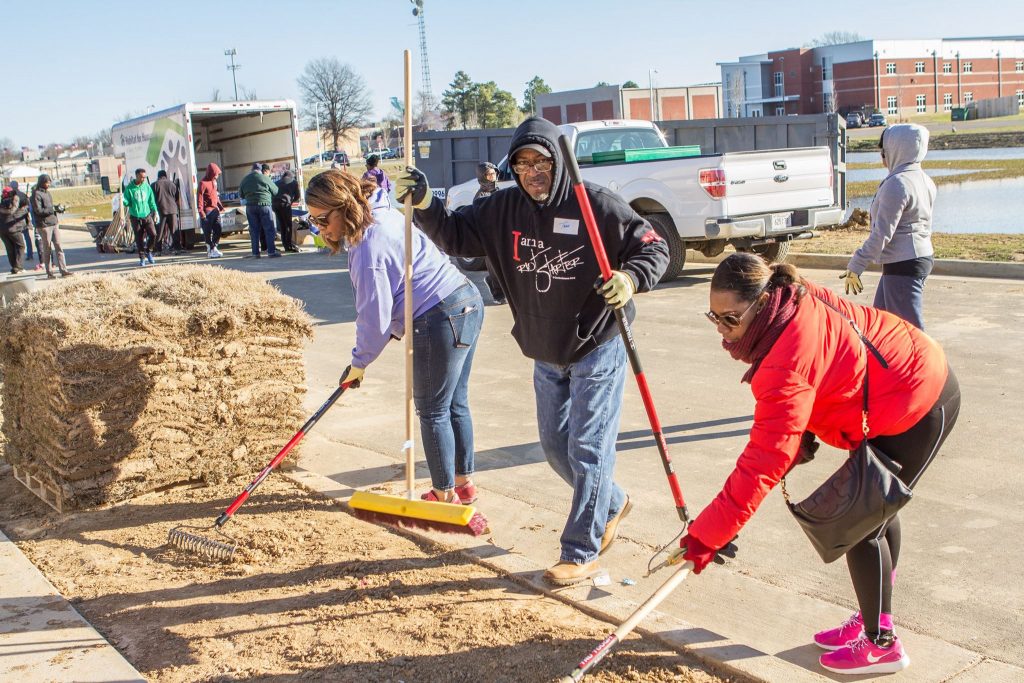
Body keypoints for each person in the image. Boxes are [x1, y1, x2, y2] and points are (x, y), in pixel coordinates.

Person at [396, 116, 669, 585]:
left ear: (558, 162)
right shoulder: (501, 209)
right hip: (545, 348)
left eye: (540, 162)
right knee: (555, 447)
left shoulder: (595, 204)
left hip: (597, 343)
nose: (531, 173)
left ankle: (580, 551)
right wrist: (424, 203)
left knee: (588, 448)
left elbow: (653, 247)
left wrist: (630, 278)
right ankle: (612, 502)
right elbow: (456, 235)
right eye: (521, 165)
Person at [681, 252, 960, 675]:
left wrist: (708, 535)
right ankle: (874, 618)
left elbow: (763, 461)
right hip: (888, 394)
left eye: (730, 318)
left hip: (917, 399)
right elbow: (828, 370)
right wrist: (804, 436)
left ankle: (881, 644)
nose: (721, 329)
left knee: (859, 524)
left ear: (762, 303)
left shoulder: (785, 358)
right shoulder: (789, 302)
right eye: (713, 317)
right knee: (875, 514)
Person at [305, 170, 485, 505]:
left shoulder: (368, 245)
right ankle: (463, 485)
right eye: (312, 220)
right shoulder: (384, 215)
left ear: (343, 206)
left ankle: (444, 495)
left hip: (438, 315)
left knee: (433, 409)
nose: (319, 228)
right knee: (453, 402)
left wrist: (359, 362)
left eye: (322, 219)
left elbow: (374, 317)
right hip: (465, 300)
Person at [840, 123, 936, 330]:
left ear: (895, 150)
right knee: (881, 324)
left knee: (910, 332)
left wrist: (856, 265)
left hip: (904, 263)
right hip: (916, 258)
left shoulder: (898, 183)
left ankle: (929, 355)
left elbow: (882, 233)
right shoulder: (924, 180)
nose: (882, 157)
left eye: (883, 151)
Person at [473, 162, 505, 305]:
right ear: (482, 176)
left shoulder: (498, 191)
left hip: (501, 234)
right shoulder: (481, 196)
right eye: (489, 174)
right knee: (495, 266)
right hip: (489, 237)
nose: (492, 177)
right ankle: (498, 293)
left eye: (494, 174)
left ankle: (494, 283)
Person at [30, 174, 72, 278]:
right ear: (42, 182)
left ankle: (64, 270)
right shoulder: (36, 194)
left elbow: (50, 208)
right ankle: (49, 272)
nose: (48, 184)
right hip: (44, 225)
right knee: (47, 249)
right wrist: (52, 210)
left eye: (49, 182)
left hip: (53, 223)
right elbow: (38, 210)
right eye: (47, 182)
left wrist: (57, 208)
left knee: (59, 246)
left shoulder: (47, 193)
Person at [239, 163, 280, 258]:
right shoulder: (264, 178)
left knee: (254, 230)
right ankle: (271, 252)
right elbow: (275, 191)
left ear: (252, 170)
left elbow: (241, 194)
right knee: (269, 229)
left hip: (250, 207)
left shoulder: (245, 179)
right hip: (264, 206)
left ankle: (255, 253)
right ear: (260, 170)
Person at [122, 168, 159, 267]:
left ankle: (149, 251)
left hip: (147, 215)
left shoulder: (147, 187)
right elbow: (127, 202)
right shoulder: (129, 188)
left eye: (145, 177)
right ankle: (142, 257)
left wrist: (155, 212)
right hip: (135, 217)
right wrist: (123, 201)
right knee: (139, 238)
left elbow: (151, 201)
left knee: (153, 234)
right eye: (142, 177)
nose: (143, 179)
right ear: (137, 176)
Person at [197, 162, 225, 258]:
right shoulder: (202, 183)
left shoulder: (214, 182)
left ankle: (214, 247)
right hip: (207, 212)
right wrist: (201, 212)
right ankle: (210, 250)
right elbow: (199, 198)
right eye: (216, 174)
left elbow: (215, 196)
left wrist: (220, 206)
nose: (217, 176)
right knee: (207, 232)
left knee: (218, 229)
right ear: (211, 173)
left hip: (215, 210)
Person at [151, 170, 181, 254]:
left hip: (160, 211)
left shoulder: (154, 185)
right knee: (174, 230)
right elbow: (177, 198)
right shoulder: (172, 184)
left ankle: (158, 250)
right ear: (165, 176)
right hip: (172, 210)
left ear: (158, 176)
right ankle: (177, 249)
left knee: (159, 232)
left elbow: (151, 200)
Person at [0, 187, 27, 274]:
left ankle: (14, 267)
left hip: (2, 230)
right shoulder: (14, 200)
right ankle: (18, 267)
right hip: (13, 229)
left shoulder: (1, 202)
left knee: (10, 249)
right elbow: (13, 211)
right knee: (21, 246)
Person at [273, 170, 300, 253]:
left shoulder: (276, 182)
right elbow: (297, 196)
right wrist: (291, 201)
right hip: (285, 205)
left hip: (275, 205)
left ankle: (285, 244)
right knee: (288, 225)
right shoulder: (294, 182)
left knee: (282, 225)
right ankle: (288, 246)